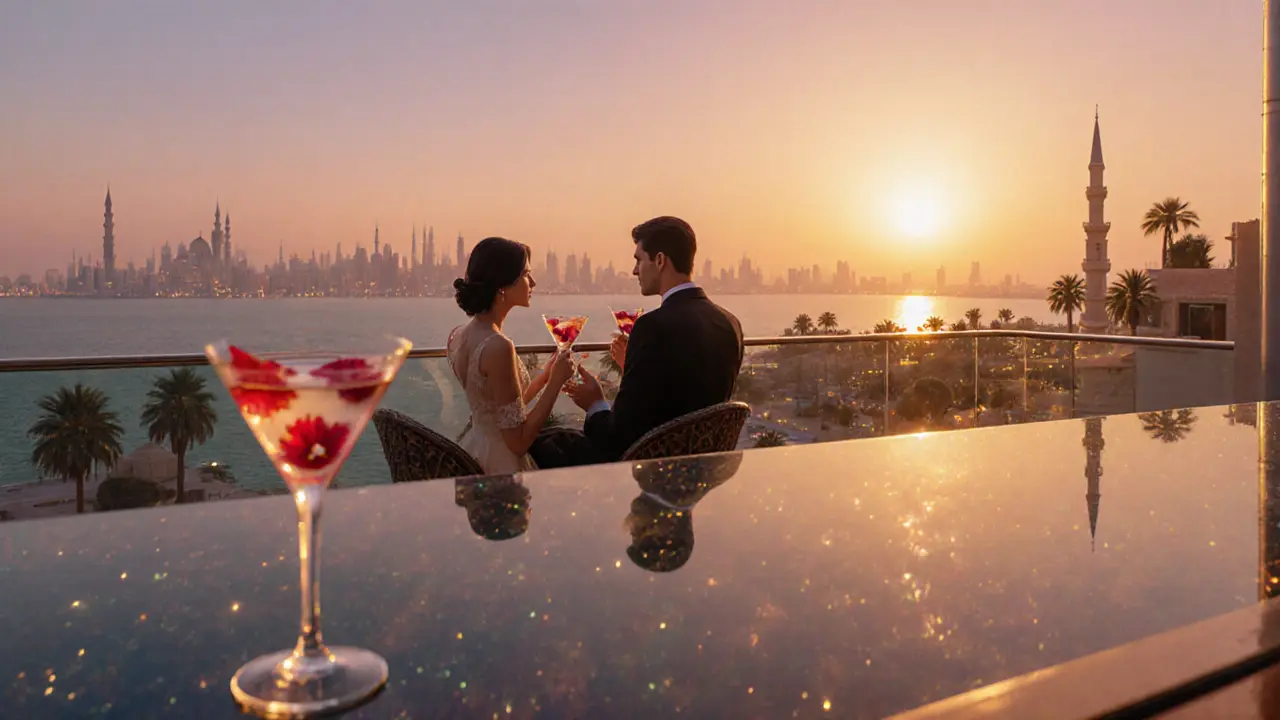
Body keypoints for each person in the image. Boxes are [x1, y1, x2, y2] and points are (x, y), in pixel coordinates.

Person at [564, 216, 744, 462]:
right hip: (704, 468)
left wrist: (594, 402)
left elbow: (618, 438)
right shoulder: (730, 323)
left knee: (550, 442)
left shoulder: (652, 327)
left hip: (651, 470)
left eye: (638, 259)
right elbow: (684, 391)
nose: (634, 270)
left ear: (659, 260)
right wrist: (632, 367)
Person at [448, 237, 576, 474]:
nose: (533, 282)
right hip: (500, 468)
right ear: (502, 286)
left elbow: (501, 407)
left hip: (474, 451)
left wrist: (544, 378)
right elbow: (518, 441)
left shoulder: (459, 336)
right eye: (526, 274)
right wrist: (556, 382)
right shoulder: (498, 346)